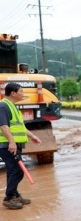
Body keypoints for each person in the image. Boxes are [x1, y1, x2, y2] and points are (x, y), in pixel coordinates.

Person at [1, 82, 42, 210]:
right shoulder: (3, 106)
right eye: (21, 91)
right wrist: (12, 142)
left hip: (14, 144)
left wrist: (32, 136)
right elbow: (3, 126)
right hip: (6, 145)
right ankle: (9, 198)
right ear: (13, 93)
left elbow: (20, 126)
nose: (23, 94)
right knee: (16, 170)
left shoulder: (12, 106)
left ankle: (14, 195)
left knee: (14, 170)